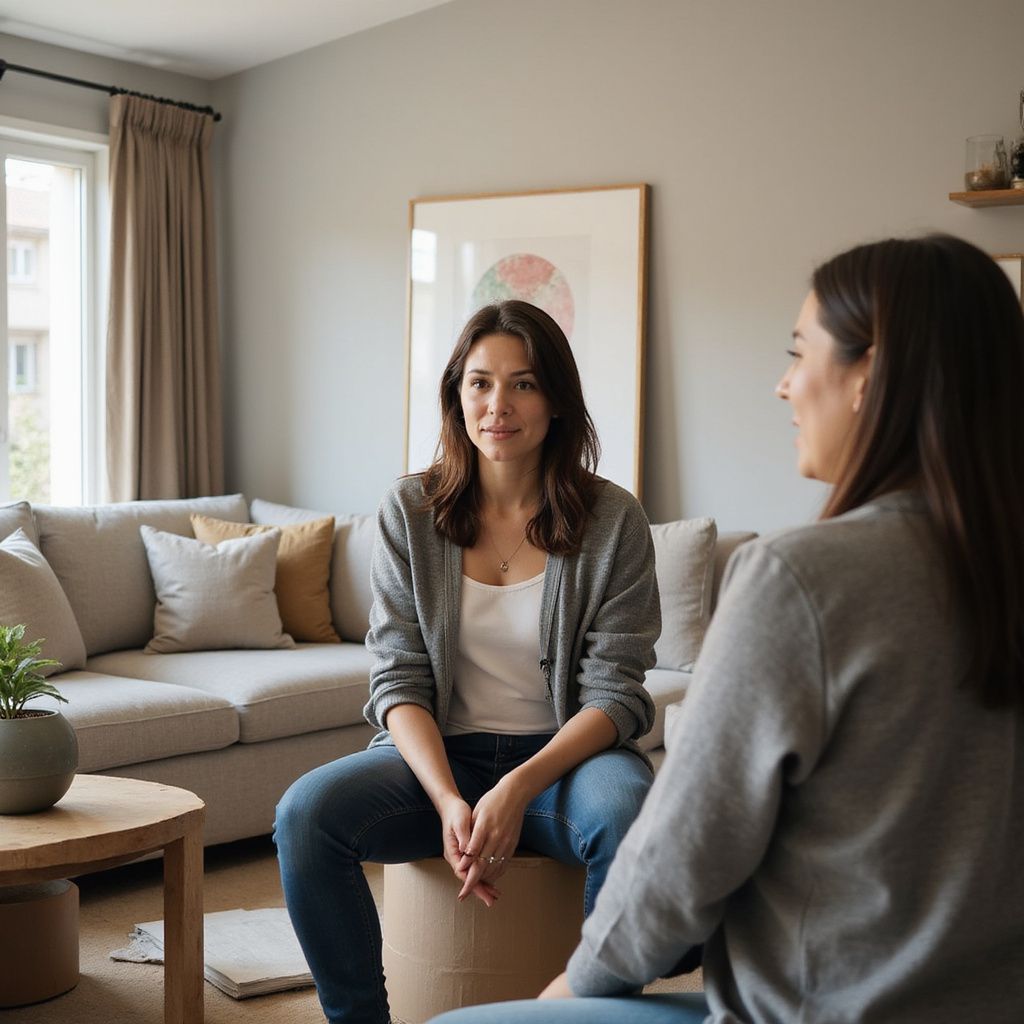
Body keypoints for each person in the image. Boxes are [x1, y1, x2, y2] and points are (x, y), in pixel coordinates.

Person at [428, 234, 1024, 1024]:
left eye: (799, 352)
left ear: (868, 379)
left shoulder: (801, 579)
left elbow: (681, 860)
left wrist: (570, 989)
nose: (783, 386)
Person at [275, 299, 661, 1024]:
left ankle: (599, 1014)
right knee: (305, 813)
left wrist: (515, 788)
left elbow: (616, 693)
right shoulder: (409, 510)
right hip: (435, 763)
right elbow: (398, 676)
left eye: (523, 383)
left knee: (631, 813)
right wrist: (451, 799)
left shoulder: (614, 519)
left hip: (564, 768)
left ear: (556, 401)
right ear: (456, 395)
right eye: (480, 382)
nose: (499, 405)